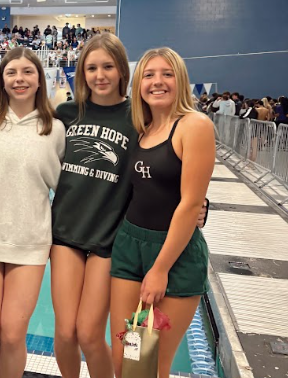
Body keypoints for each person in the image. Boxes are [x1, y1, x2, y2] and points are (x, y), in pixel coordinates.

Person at [50, 34, 207, 378]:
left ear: (122, 70)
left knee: (94, 336)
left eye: (108, 66)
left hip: (112, 238)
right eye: (91, 68)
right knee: (66, 333)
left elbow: (168, 168)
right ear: (81, 73)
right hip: (68, 234)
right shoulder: (64, 113)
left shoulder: (139, 119)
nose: (100, 75)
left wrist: (198, 202)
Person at [109, 47, 215, 378]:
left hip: (174, 254)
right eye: (150, 75)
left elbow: (190, 203)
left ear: (180, 80)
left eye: (167, 74)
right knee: (124, 358)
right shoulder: (140, 129)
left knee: (151, 366)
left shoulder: (194, 125)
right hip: (129, 246)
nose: (158, 81)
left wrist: (160, 269)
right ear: (139, 83)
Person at [0, 47, 66, 378]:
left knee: (11, 336)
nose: (19, 79)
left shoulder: (54, 129)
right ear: (1, 80)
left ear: (40, 80)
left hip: (30, 244)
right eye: (11, 72)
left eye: (27, 72)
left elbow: (70, 187)